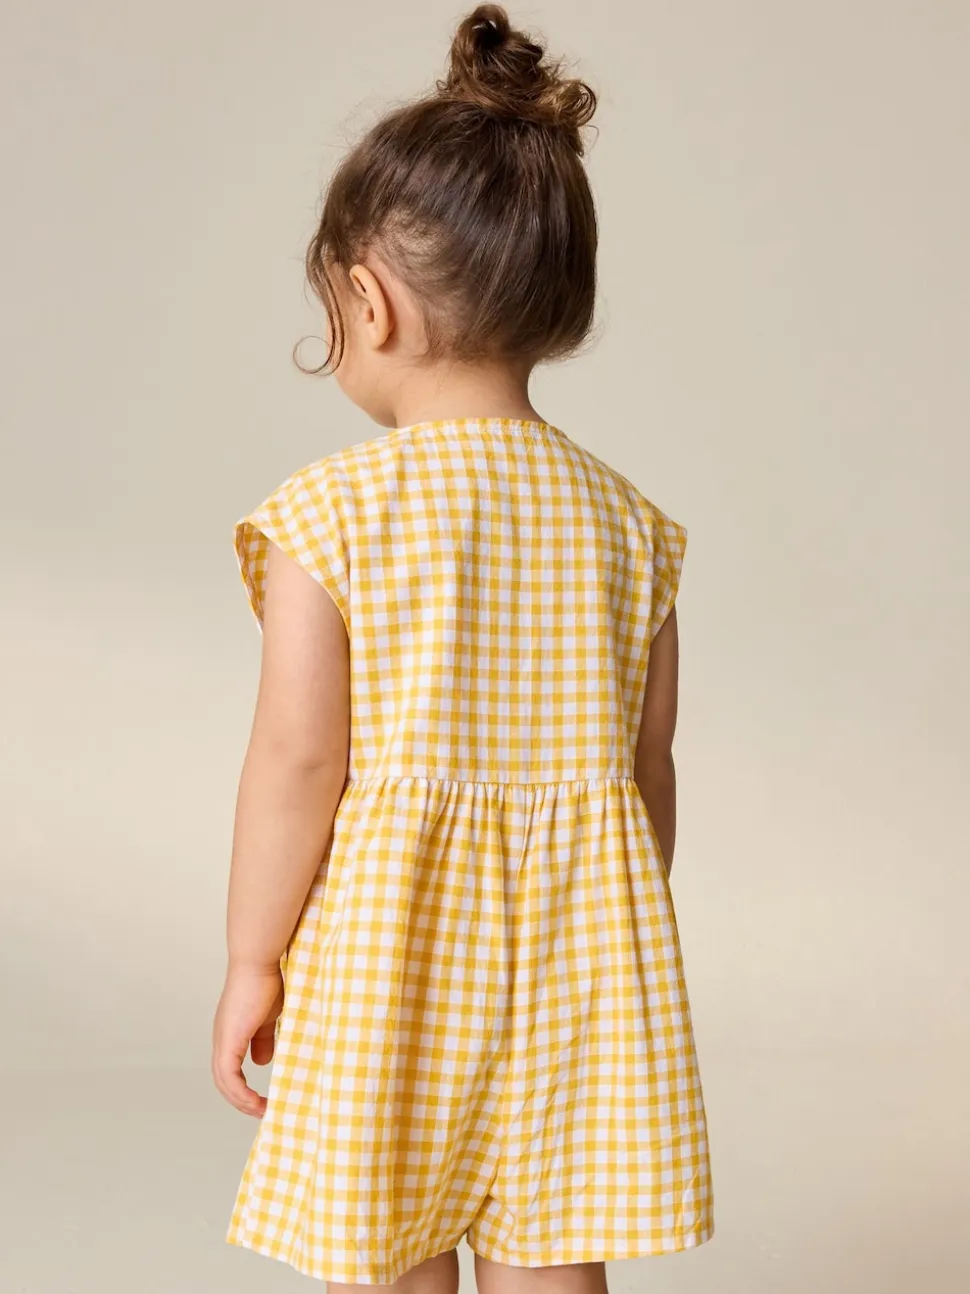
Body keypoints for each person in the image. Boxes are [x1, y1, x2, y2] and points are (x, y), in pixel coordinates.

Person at [211, 6, 714, 1290]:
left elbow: (297, 760)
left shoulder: (332, 513)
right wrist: (614, 919)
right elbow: (648, 769)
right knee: (553, 1254)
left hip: (392, 957)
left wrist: (253, 956)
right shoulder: (630, 526)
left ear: (365, 302)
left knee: (385, 1248)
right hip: (579, 960)